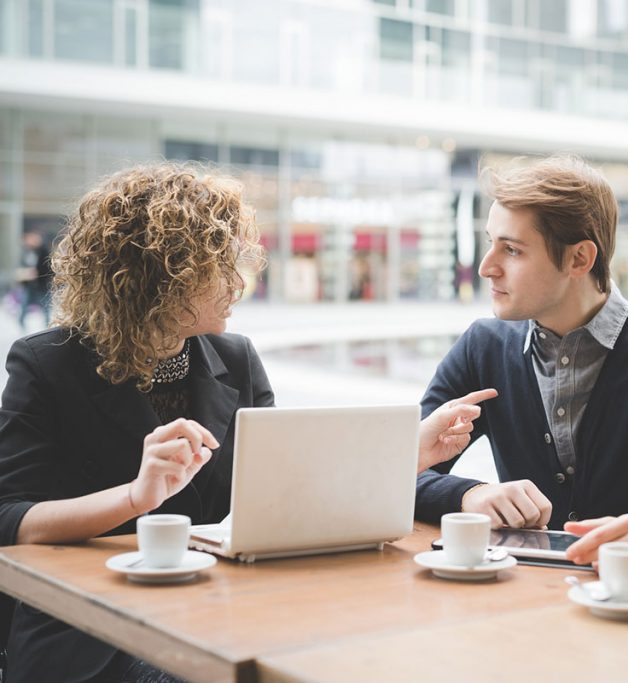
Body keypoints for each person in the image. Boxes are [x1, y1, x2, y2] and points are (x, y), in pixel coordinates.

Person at [0, 164, 486, 683]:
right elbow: (9, 520)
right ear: (163, 275)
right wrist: (135, 498)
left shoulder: (236, 357)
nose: (239, 282)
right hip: (93, 635)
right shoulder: (48, 363)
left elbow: (280, 498)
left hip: (224, 616)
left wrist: (406, 454)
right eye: (219, 266)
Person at [416, 155, 628, 576]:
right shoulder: (483, 346)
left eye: (512, 249)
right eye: (489, 241)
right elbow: (403, 470)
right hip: (524, 596)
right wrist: (469, 495)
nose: (486, 267)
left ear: (579, 259)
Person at [15, 230, 53, 330]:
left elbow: (49, 268)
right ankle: (21, 323)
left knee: (45, 306)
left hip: (42, 284)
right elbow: (22, 265)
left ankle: (47, 325)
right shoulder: (27, 251)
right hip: (29, 284)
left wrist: (37, 273)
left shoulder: (44, 251)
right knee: (24, 304)